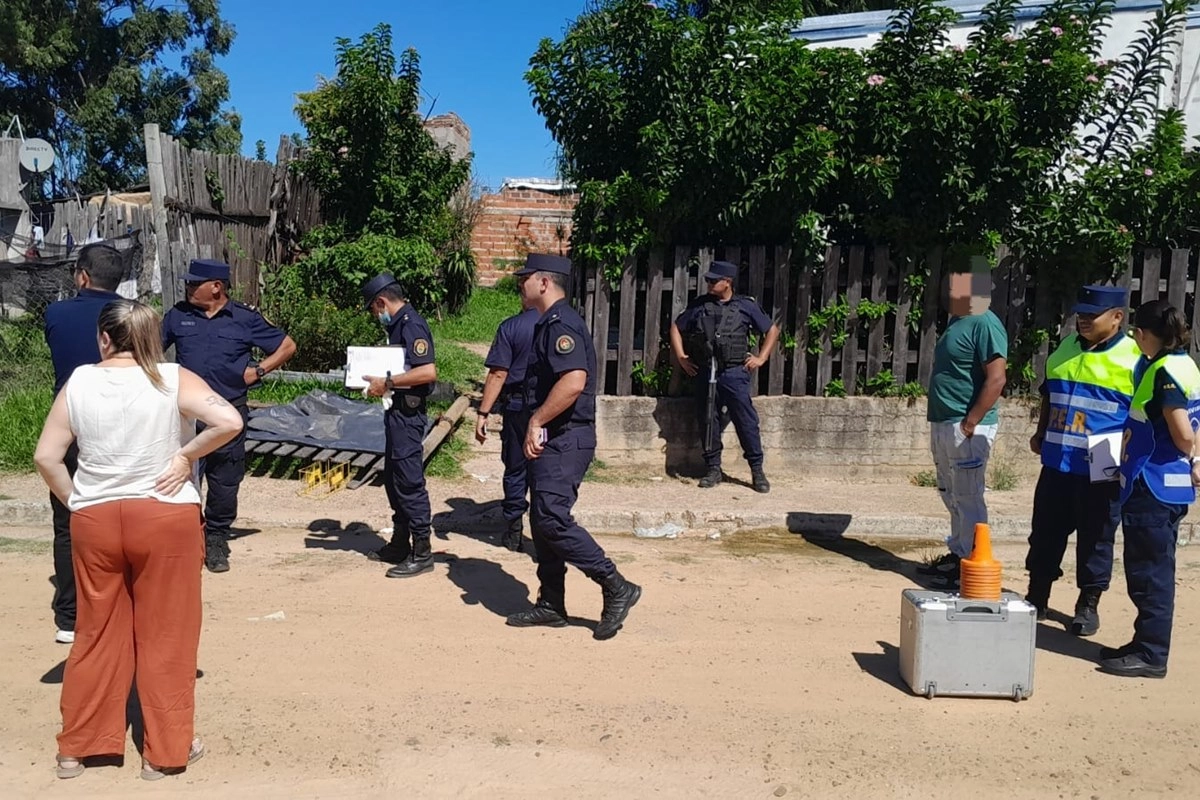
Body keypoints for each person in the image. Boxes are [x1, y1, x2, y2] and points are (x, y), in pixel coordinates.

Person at [33, 299, 243, 780]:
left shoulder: (79, 381)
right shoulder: (172, 378)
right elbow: (229, 421)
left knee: (95, 631)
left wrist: (77, 502)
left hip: (97, 518)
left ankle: (77, 748)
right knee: (167, 634)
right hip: (165, 516)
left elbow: (47, 456)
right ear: (151, 337)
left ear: (104, 338)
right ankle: (164, 752)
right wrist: (184, 457)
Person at [504, 253, 642, 641]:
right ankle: (552, 603)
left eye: (526, 278)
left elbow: (573, 381)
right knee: (541, 520)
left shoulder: (561, 324)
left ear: (544, 282)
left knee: (551, 517)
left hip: (566, 437)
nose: (520, 284)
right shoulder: (547, 323)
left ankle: (615, 584)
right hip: (554, 437)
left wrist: (536, 421)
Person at [162, 259, 296, 573]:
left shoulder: (244, 319)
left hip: (229, 412)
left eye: (194, 283)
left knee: (225, 479)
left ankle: (216, 539)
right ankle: (184, 534)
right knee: (181, 474)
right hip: (186, 415)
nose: (188, 287)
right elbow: (150, 349)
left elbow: (287, 346)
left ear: (216, 287)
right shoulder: (178, 316)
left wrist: (259, 370)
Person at [1024, 285, 1141, 635]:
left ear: (1117, 317)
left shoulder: (1134, 359)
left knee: (1096, 535)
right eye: (1081, 314)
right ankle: (1037, 595)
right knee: (1045, 532)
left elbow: (1143, 417)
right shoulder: (1065, 348)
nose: (1084, 320)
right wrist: (1040, 432)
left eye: (1092, 315)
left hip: (1103, 457)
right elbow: (1049, 394)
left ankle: (1087, 604)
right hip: (1058, 458)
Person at [1101, 299, 1200, 679]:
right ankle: (1143, 642)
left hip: (1153, 485)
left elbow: (1184, 432)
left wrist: (1190, 452)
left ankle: (1151, 654)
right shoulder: (1184, 364)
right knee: (1151, 569)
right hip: (1167, 486)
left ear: (1141, 334)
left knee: (1149, 575)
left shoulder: (1164, 372)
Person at [41, 243, 125, 644]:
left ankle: (70, 616)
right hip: (123, 425)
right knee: (123, 513)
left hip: (72, 423)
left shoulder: (56, 313)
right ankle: (118, 605)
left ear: (82, 276)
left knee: (68, 522)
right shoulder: (135, 315)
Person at [919, 267, 1008, 585]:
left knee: (968, 495)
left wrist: (971, 421)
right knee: (950, 491)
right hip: (945, 421)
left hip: (966, 425)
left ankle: (973, 561)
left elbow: (996, 378)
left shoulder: (985, 323)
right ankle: (958, 552)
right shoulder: (958, 321)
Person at [669, 259, 779, 493]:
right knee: (708, 420)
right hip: (705, 370)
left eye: (713, 281)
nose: (709, 284)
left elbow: (771, 329)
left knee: (746, 421)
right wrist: (681, 357)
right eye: (708, 280)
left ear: (727, 282)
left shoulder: (745, 306)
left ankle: (757, 470)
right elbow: (676, 328)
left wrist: (761, 358)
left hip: (734, 372)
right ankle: (713, 469)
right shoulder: (700, 306)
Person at [360, 274, 439, 578]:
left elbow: (427, 371)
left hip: (408, 414)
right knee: (394, 479)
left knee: (408, 481)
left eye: (373, 308)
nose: (375, 315)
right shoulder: (398, 325)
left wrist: (388, 383)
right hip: (397, 412)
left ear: (381, 302)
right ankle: (400, 541)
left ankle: (422, 551)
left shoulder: (411, 324)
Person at [475, 297, 540, 552]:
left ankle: (514, 532)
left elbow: (498, 373)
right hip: (549, 407)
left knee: (516, 466)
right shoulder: (562, 324)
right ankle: (544, 533)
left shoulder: (511, 327)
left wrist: (483, 412)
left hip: (517, 407)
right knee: (545, 468)